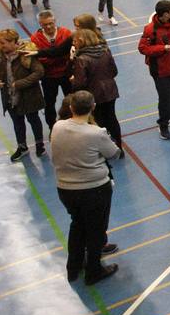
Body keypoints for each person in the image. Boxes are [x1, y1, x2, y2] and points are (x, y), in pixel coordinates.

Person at [50, 90, 121, 283]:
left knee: (77, 225)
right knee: (96, 230)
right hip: (94, 189)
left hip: (65, 189)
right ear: (93, 108)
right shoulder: (96, 133)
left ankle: (73, 267)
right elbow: (114, 153)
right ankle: (93, 271)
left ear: (71, 108)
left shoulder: (57, 127)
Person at [0, 28, 45, 162]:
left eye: (3, 43)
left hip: (29, 96)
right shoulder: (0, 56)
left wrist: (21, 83)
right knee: (17, 122)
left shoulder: (26, 54)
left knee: (33, 120)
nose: (0, 46)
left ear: (13, 42)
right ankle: (22, 147)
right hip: (10, 97)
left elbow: (39, 72)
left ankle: (39, 144)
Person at [138, 0, 170, 140]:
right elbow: (143, 48)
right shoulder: (150, 29)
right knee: (165, 99)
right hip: (160, 70)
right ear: (165, 14)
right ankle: (163, 125)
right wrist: (163, 48)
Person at [67, 26, 121, 145]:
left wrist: (73, 80)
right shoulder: (105, 51)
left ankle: (104, 148)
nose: (73, 43)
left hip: (93, 94)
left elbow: (80, 83)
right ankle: (118, 147)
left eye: (75, 41)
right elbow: (114, 71)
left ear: (81, 41)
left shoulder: (81, 59)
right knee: (112, 118)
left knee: (98, 121)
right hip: (110, 90)